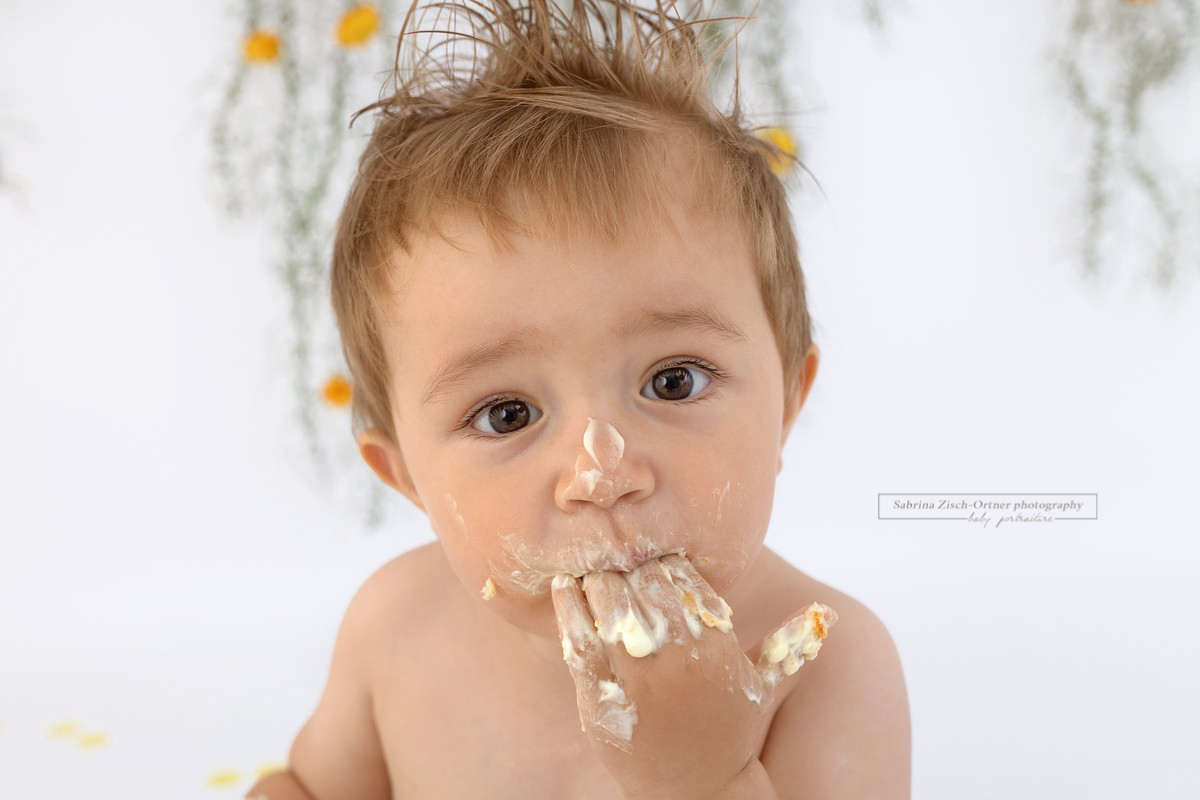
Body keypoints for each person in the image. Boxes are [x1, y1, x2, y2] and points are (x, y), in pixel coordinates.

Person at [248, 1, 910, 797]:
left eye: (674, 381)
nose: (602, 472)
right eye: (507, 414)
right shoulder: (395, 629)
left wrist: (709, 775)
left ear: (786, 406)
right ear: (406, 477)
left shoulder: (826, 668)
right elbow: (305, 787)